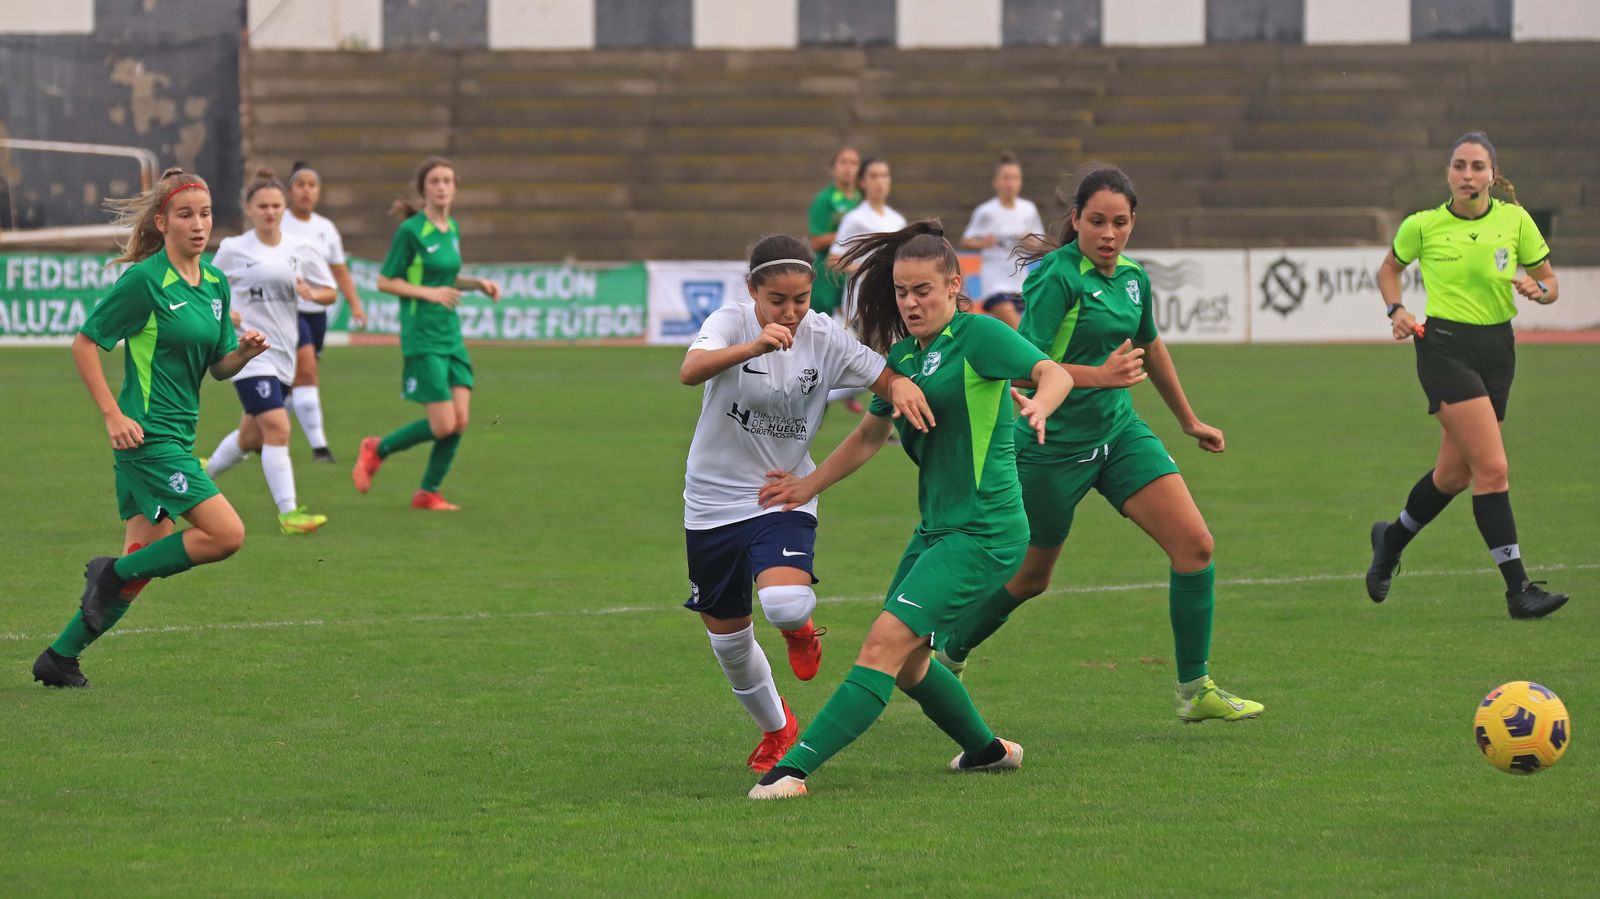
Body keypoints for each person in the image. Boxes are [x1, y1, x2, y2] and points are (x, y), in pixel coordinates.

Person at [747, 221, 1072, 799]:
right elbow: (870, 437)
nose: (911, 302)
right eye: (901, 291)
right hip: (937, 530)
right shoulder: (902, 357)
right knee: (912, 663)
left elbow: (1053, 372)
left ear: (954, 286)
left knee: (882, 647)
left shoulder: (980, 336)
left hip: (985, 531)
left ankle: (790, 771)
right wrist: (807, 486)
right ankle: (988, 751)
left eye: (923, 290)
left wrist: (1041, 406)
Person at [937, 165, 1264, 725]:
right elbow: (1022, 372)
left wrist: (1188, 420)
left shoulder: (1135, 277)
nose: (1108, 233)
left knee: (1196, 547)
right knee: (1031, 578)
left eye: (1120, 222)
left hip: (1118, 434)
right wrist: (1100, 375)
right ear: (1076, 220)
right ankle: (948, 651)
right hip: (1050, 448)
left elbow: (1151, 347)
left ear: (1134, 223)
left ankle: (1194, 689)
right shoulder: (1055, 278)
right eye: (1096, 222)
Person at [679, 234, 932, 773]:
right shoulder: (730, 322)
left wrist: (901, 386)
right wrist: (754, 346)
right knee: (729, 644)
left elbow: (881, 374)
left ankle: (800, 631)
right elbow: (690, 369)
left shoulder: (824, 337)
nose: (791, 313)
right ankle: (778, 730)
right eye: (778, 301)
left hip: (783, 492)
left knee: (786, 605)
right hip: (710, 501)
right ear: (752, 292)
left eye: (801, 299)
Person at [32, 167, 268, 688]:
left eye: (205, 214)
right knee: (226, 534)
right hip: (145, 438)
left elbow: (217, 367)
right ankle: (108, 573)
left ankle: (60, 657)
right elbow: (86, 342)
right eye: (185, 214)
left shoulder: (213, 284)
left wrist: (242, 354)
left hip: (179, 436)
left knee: (142, 559)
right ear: (162, 222)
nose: (198, 224)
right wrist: (113, 417)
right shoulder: (144, 281)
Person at [1367, 131, 1567, 619]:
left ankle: (1389, 541)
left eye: (1478, 166)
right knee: (1493, 469)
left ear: (1493, 176)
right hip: (1444, 347)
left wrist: (1537, 291)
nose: (1467, 175)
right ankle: (1518, 589)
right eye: (1459, 166)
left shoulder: (1515, 221)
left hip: (1498, 350)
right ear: (1448, 174)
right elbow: (1388, 269)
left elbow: (1551, 283)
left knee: (1453, 475)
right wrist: (1395, 308)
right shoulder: (1424, 225)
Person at [352, 156, 501, 511]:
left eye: (448, 180)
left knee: (460, 421)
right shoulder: (410, 232)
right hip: (422, 334)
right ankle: (377, 449)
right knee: (443, 423)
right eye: (435, 181)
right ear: (424, 189)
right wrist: (428, 294)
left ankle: (428, 493)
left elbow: (444, 278)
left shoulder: (452, 228)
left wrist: (477, 284)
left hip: (450, 334)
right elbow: (385, 281)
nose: (442, 187)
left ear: (455, 187)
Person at [202, 167, 334, 535]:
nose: (271, 212)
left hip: (284, 354)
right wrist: (226, 312)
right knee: (278, 427)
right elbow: (207, 289)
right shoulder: (233, 249)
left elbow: (330, 292)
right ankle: (289, 514)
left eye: (276, 205)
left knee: (251, 436)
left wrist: (313, 293)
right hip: (248, 352)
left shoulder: (299, 249)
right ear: (249, 208)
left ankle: (201, 476)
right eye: (263, 206)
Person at [280, 160, 367, 463]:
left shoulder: (325, 228)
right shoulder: (278, 221)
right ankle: (320, 448)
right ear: (290, 191)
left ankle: (264, 431)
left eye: (312, 185)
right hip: (287, 310)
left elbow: (340, 271)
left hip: (318, 311)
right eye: (300, 184)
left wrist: (355, 305)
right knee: (307, 372)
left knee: (294, 381)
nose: (306, 190)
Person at [825, 157, 906, 412]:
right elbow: (834, 259)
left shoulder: (897, 220)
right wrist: (868, 269)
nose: (880, 181)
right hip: (866, 303)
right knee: (885, 365)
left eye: (884, 175)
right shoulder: (855, 218)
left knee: (883, 366)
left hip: (893, 302)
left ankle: (824, 395)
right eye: (874, 176)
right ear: (862, 182)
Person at [960, 151, 1045, 329]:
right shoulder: (986, 211)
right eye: (1006, 178)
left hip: (1021, 282)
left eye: (1015, 178)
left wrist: (1030, 241)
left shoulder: (1028, 210)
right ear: (996, 182)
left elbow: (1040, 243)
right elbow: (966, 240)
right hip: (995, 282)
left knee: (1009, 336)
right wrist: (983, 243)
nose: (1010, 183)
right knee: (1019, 332)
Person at [805, 147, 861, 320]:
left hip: (855, 273)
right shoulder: (824, 199)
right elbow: (816, 242)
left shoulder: (863, 198)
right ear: (834, 168)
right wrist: (847, 234)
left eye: (853, 163)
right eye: (843, 162)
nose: (848, 168)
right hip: (828, 275)